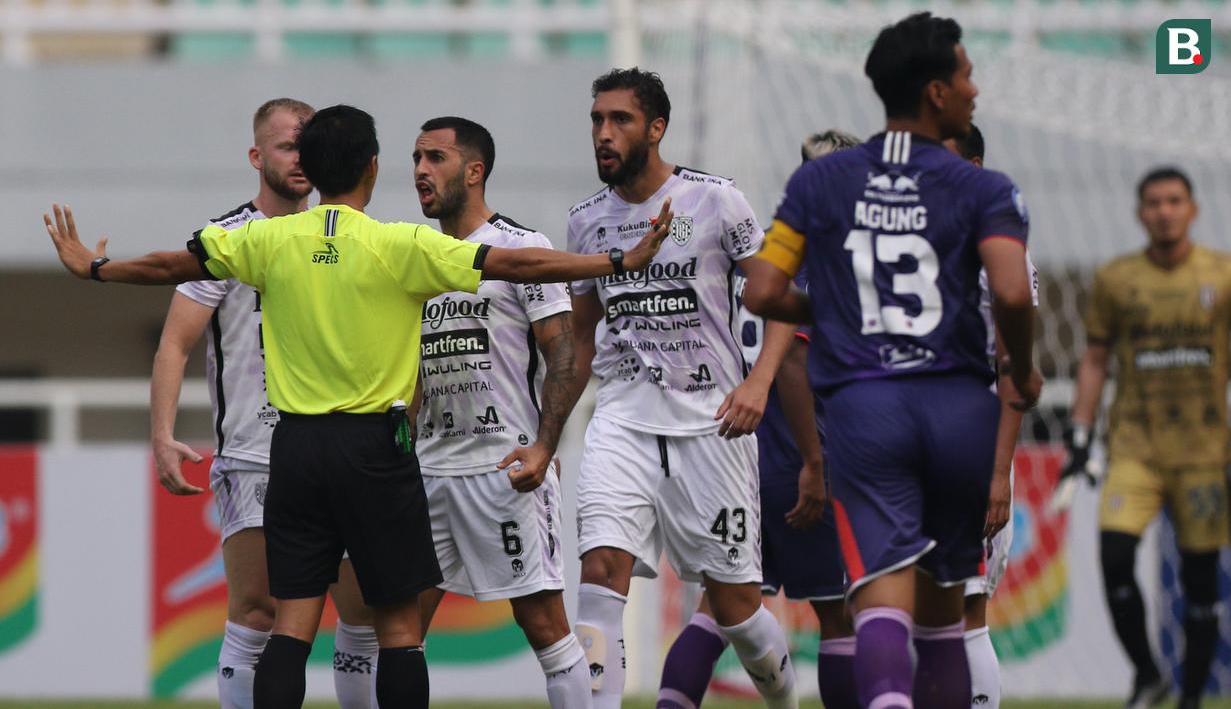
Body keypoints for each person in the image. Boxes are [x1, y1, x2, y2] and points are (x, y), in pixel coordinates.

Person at [44, 103, 675, 709]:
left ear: (312, 170)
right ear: (372, 166)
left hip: (294, 449)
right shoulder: (397, 244)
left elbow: (167, 265)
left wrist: (96, 267)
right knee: (397, 627)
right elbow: (518, 262)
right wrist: (618, 259)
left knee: (291, 624)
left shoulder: (264, 240)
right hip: (377, 449)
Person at [741, 12, 1040, 709]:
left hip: (868, 411)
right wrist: (1023, 368)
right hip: (957, 409)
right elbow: (1009, 292)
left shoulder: (820, 183)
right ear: (936, 91)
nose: (974, 89)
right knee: (946, 616)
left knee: (878, 600)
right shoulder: (984, 188)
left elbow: (763, 290)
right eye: (966, 75)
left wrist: (843, 314)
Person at [567, 67, 800, 709]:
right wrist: (545, 436)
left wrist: (758, 383)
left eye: (620, 120)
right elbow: (580, 340)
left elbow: (780, 300)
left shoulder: (716, 200)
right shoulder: (585, 221)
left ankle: (785, 701)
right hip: (621, 419)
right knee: (599, 574)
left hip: (712, 425)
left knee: (736, 608)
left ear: (656, 129)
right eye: (597, 120)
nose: (604, 133)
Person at [150, 97, 381, 709]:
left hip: (338, 449)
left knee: (362, 611)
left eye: (308, 147)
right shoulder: (225, 238)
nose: (300, 159)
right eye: (286, 147)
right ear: (257, 156)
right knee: (258, 608)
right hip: (255, 453)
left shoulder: (341, 235)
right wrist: (163, 434)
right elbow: (175, 342)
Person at [656, 129, 862, 709]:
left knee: (719, 608)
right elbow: (793, 359)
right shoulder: (824, 258)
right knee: (837, 613)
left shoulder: (750, 249)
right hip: (795, 455)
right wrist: (814, 462)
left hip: (728, 456)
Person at [409, 115, 591, 708]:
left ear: (474, 170)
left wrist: (545, 447)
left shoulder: (522, 247)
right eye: (416, 159)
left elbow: (564, 352)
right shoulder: (417, 256)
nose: (421, 171)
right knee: (399, 629)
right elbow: (413, 373)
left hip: (503, 469)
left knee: (543, 625)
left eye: (435, 158)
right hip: (430, 471)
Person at [1060, 166, 1230, 709]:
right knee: (1114, 559)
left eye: (1174, 201)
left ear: (1193, 209)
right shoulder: (1117, 278)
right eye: (1154, 202)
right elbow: (1095, 359)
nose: (1164, 211)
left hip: (1203, 453)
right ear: (1140, 213)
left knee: (1201, 582)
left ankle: (1190, 699)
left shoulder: (1222, 275)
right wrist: (1080, 433)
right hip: (1134, 447)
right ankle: (1147, 673)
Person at [943, 124, 1039, 709]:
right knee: (895, 608)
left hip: (968, 445)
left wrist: (998, 474)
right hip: (903, 444)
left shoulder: (1001, 248)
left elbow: (1015, 371)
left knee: (965, 609)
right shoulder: (903, 235)